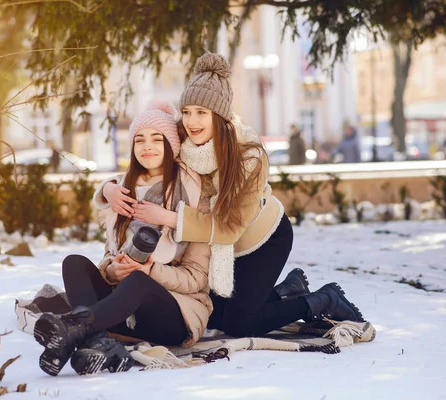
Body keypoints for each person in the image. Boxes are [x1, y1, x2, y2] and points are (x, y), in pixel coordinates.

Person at [96, 53, 364, 339]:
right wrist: (108, 189)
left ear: (219, 116)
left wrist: (169, 218)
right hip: (214, 247)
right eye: (186, 111)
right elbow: (148, 153)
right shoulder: (184, 138)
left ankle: (320, 300)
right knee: (215, 315)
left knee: (240, 324)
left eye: (201, 112)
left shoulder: (248, 157)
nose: (191, 121)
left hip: (260, 240)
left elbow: (228, 228)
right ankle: (287, 290)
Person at [33, 102, 212, 377]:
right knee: (74, 263)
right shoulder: (122, 192)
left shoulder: (194, 196)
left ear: (171, 145)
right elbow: (108, 257)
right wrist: (112, 270)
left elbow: (196, 280)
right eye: (139, 139)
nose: (147, 146)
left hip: (173, 316)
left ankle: (73, 329)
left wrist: (151, 269)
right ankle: (96, 342)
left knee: (141, 280)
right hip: (121, 312)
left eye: (156, 139)